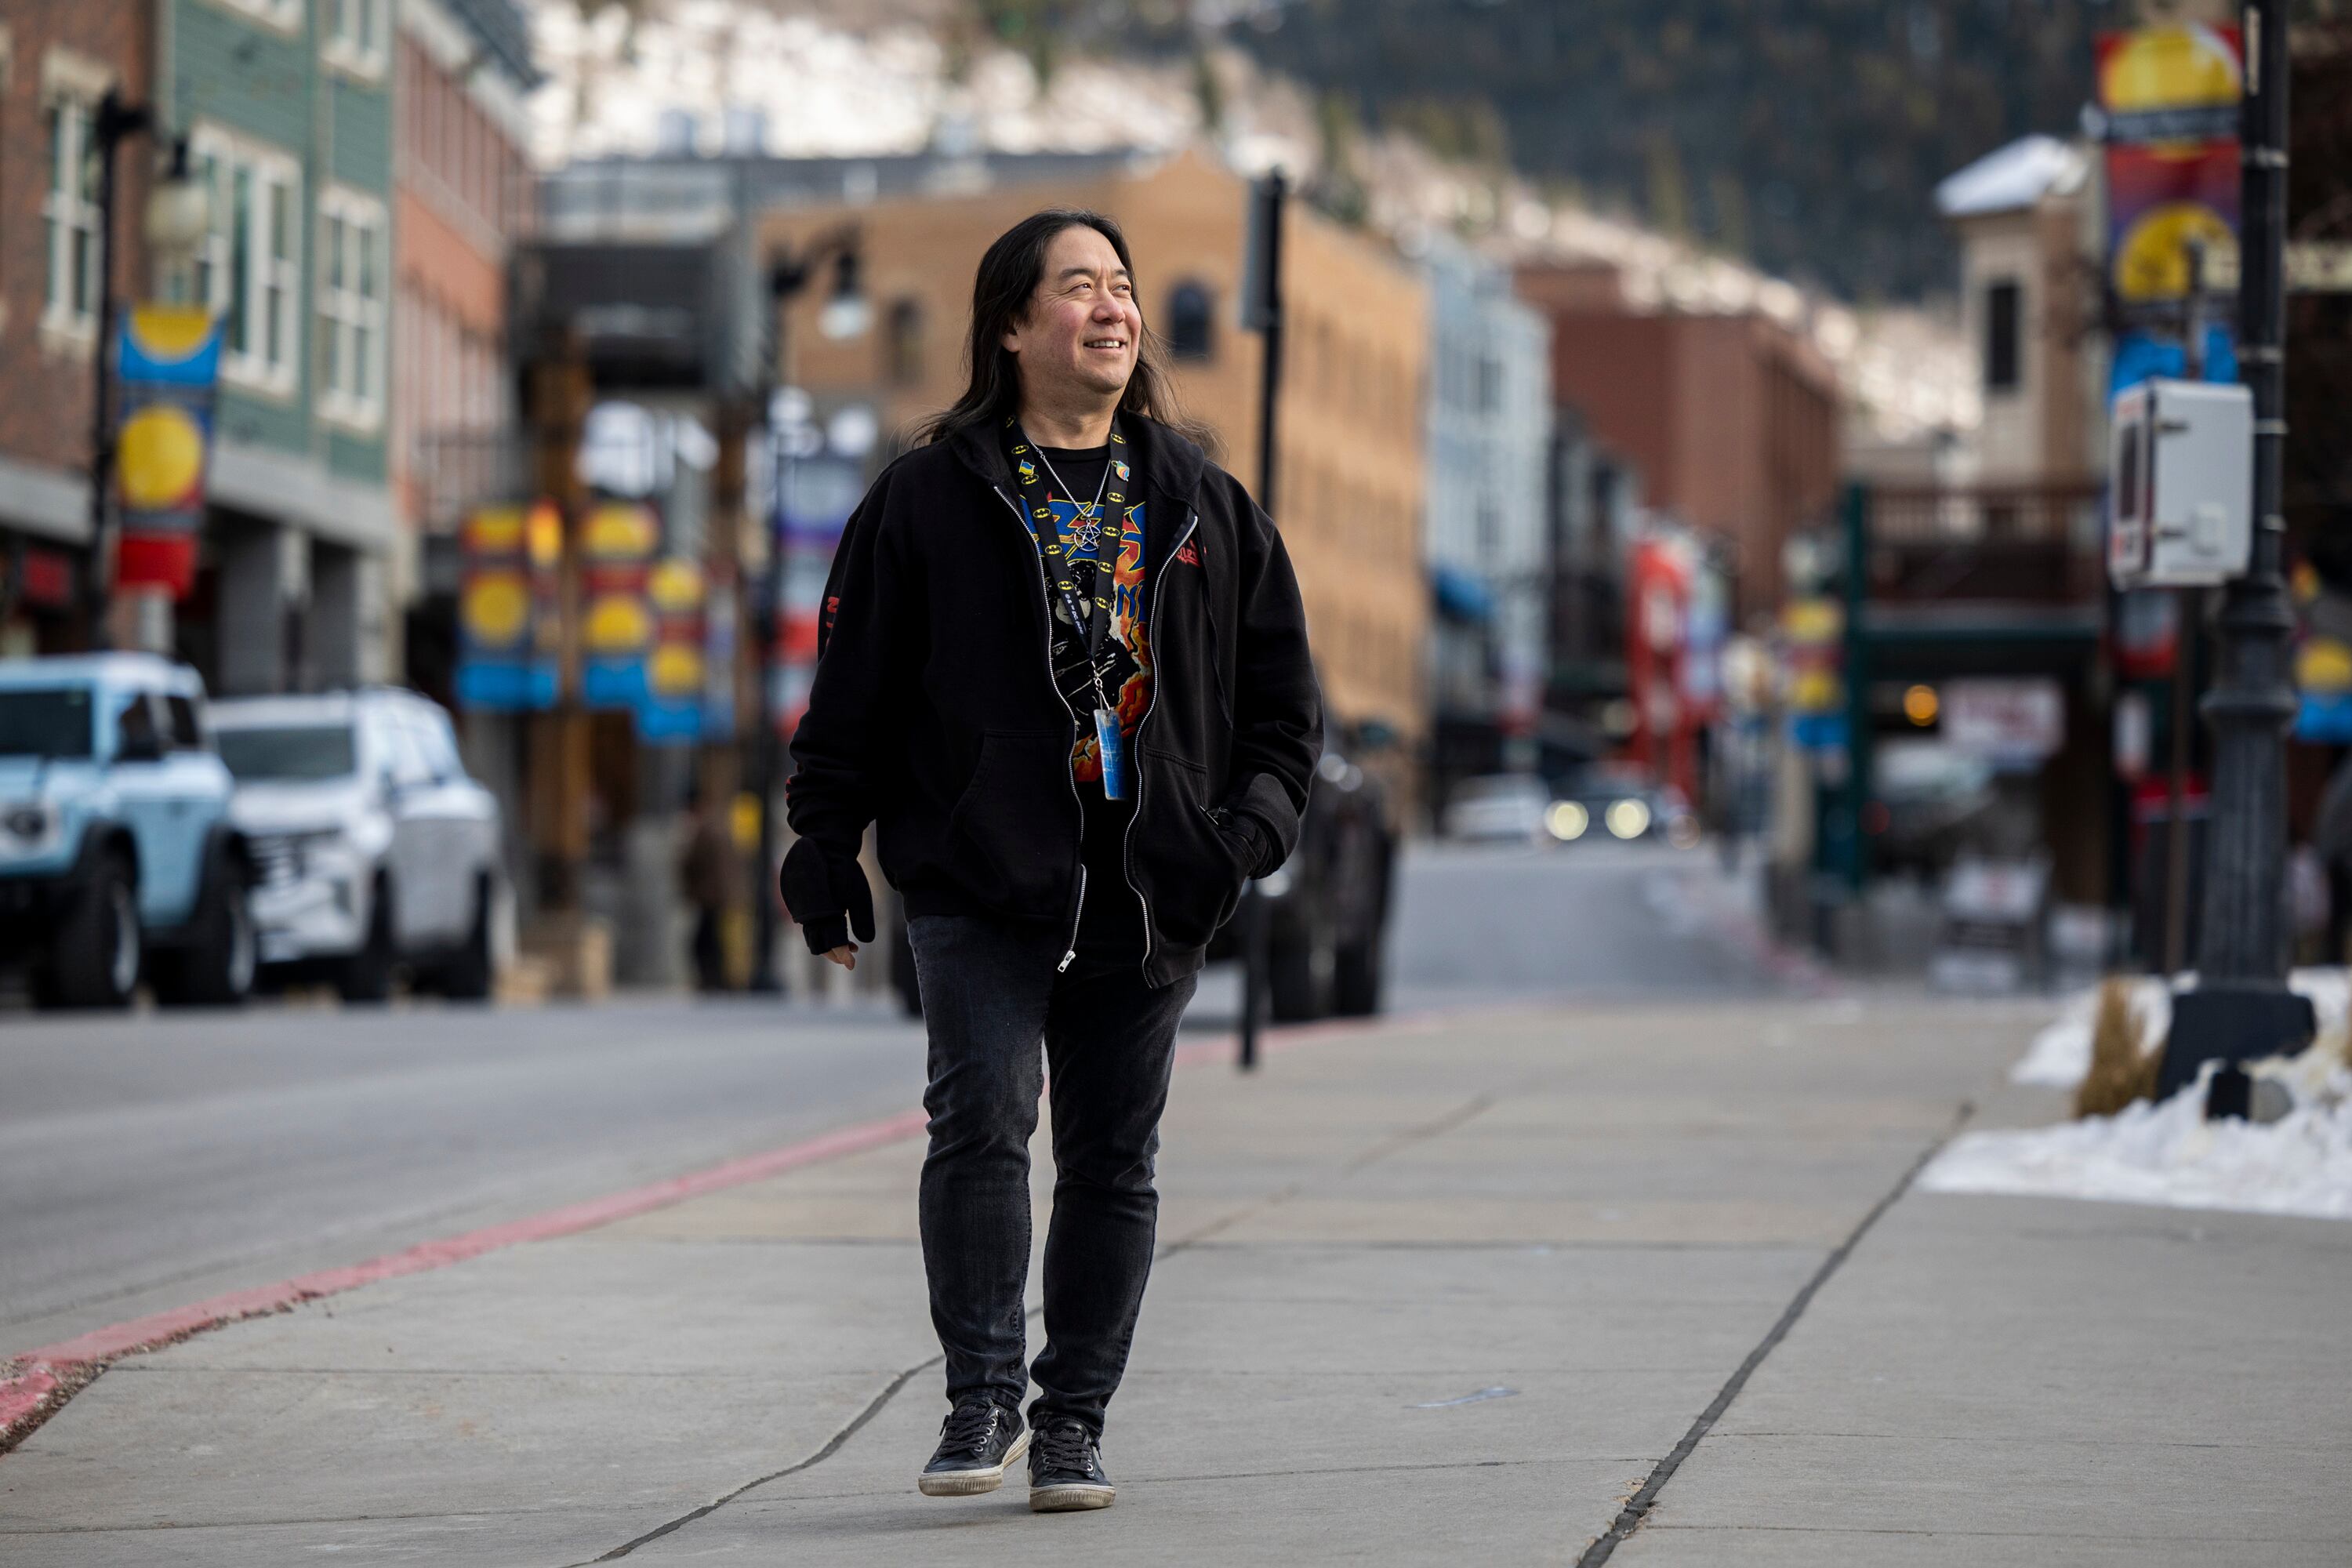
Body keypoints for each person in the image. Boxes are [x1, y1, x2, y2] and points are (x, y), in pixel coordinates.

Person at [779, 209, 1320, 1513]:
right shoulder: (928, 495)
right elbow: (850, 690)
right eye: (1079, 288)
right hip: (980, 875)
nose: (1113, 308)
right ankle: (981, 1400)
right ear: (1014, 327)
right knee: (978, 1124)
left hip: (1148, 885)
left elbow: (1282, 707)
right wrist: (821, 842)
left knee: (1114, 1160)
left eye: (1123, 287)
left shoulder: (1202, 501)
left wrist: (1239, 834)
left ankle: (1072, 1419)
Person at [677, 784, 742, 992]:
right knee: (712, 938)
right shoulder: (718, 825)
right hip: (720, 893)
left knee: (705, 940)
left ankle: (713, 979)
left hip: (712, 895)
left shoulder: (704, 829)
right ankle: (716, 979)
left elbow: (692, 862)